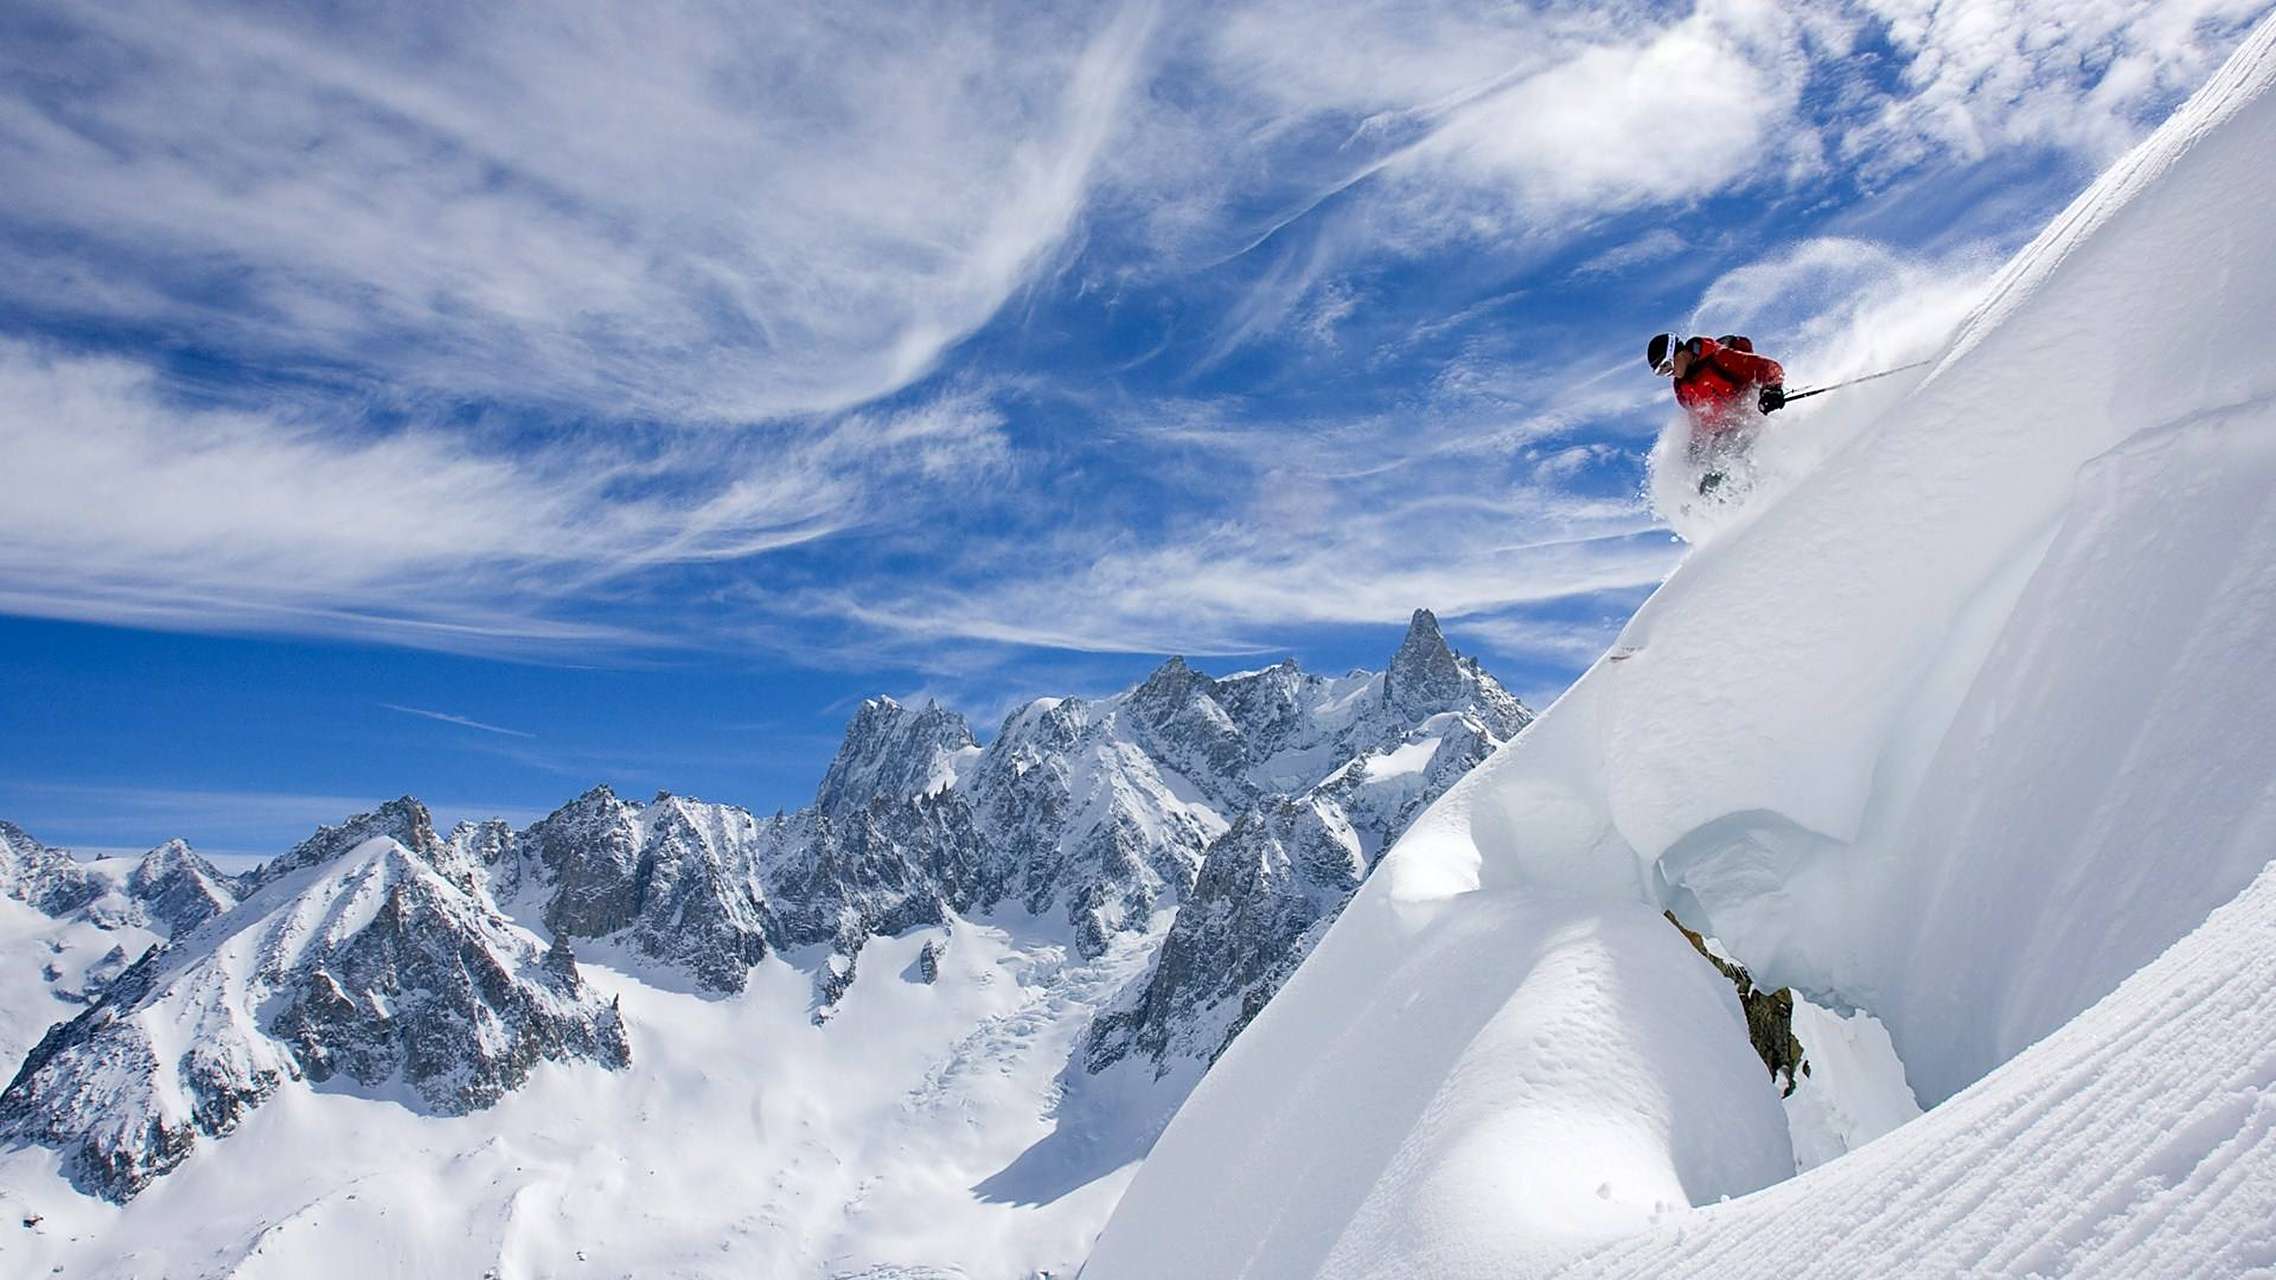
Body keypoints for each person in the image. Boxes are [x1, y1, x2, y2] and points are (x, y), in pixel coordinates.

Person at [1645, 332, 1787, 494]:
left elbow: (1767, 367)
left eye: (1667, 366)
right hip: (1722, 438)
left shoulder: (1719, 359)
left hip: (1749, 425)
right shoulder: (1681, 388)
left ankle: (1766, 494)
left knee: (1723, 476)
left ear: (1679, 352)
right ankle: (1713, 513)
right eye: (1662, 372)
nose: (1669, 373)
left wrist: (1772, 390)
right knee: (1706, 486)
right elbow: (1698, 418)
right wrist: (1695, 447)